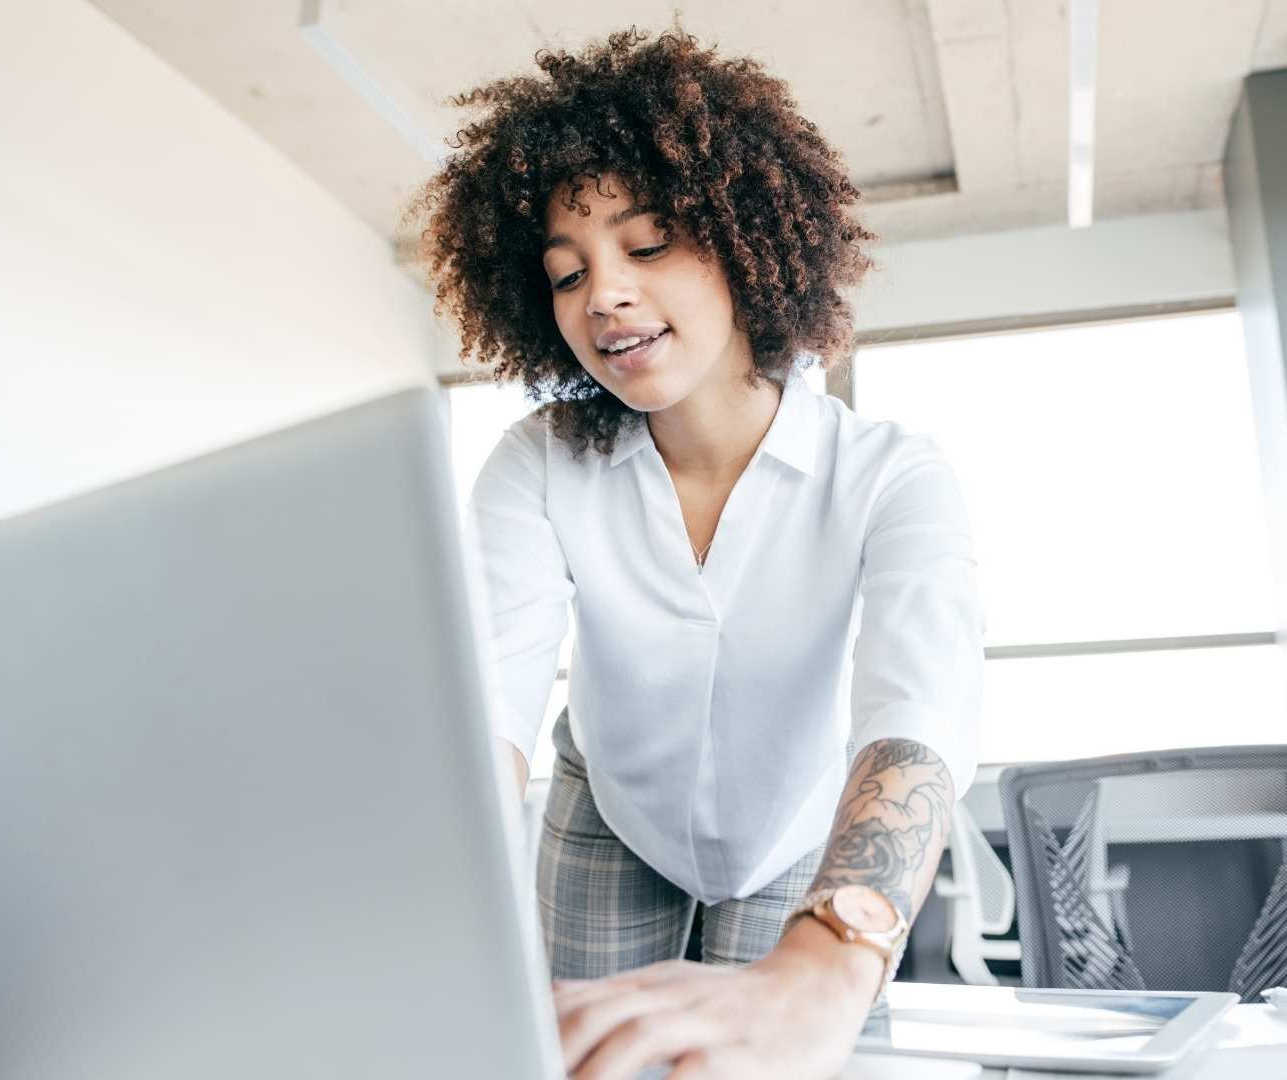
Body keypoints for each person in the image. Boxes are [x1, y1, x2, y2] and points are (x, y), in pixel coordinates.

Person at [408, 27, 986, 1080]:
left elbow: (920, 710)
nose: (604, 296)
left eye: (649, 242)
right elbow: (488, 704)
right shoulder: (538, 463)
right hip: (609, 818)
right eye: (567, 272)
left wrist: (827, 966)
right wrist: (426, 920)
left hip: (793, 828)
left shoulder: (891, 474)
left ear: (741, 236)